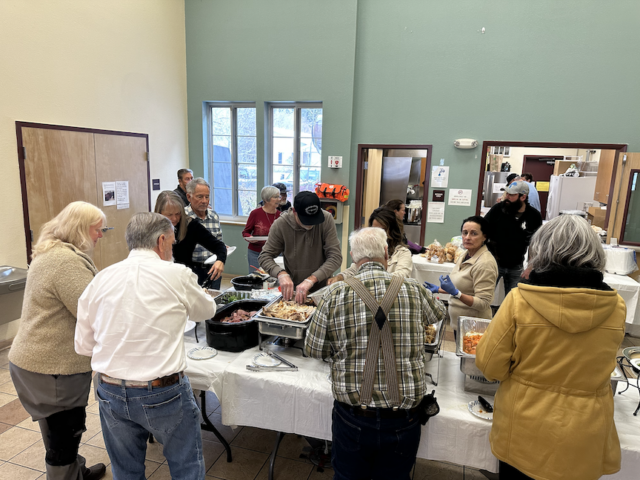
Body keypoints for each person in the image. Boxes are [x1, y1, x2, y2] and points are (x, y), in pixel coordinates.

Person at [476, 215, 626, 480]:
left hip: (525, 428)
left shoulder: (520, 300)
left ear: (540, 251)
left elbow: (490, 367)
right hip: (586, 431)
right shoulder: (616, 307)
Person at [75, 212, 217, 480]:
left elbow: (83, 345)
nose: (172, 250)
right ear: (161, 241)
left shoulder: (101, 278)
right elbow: (207, 311)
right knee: (186, 467)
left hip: (110, 389)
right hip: (163, 392)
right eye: (172, 243)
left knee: (126, 471)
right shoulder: (176, 273)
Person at [304, 227, 447, 480]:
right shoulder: (413, 288)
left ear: (353, 257)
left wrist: (340, 348)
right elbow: (438, 314)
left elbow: (314, 349)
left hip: (353, 415)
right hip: (403, 417)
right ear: (386, 253)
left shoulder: (334, 294)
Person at [9, 201, 107, 480]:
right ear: (80, 229)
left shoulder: (51, 251)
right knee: (65, 435)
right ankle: (66, 475)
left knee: (55, 430)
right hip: (52, 367)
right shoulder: (66, 262)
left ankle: (75, 471)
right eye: (97, 229)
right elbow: (92, 314)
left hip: (34, 362)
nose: (101, 235)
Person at [259, 191, 342, 304]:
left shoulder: (326, 219)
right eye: (306, 220)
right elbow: (264, 256)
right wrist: (281, 274)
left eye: (314, 220)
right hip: (294, 291)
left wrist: (312, 279)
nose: (310, 224)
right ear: (294, 211)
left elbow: (335, 257)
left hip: (322, 290)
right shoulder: (281, 224)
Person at [424, 216, 498, 334]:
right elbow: (464, 288)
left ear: (484, 236)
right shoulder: (465, 254)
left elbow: (483, 303)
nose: (467, 237)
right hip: (459, 323)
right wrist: (439, 289)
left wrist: (456, 293)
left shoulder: (485, 263)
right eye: (465, 233)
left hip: (473, 327)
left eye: (474, 233)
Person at [154, 191, 226, 285]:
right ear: (159, 213)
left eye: (178, 214)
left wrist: (220, 260)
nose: (174, 219)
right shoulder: (151, 228)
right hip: (159, 278)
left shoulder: (191, 225)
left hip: (183, 278)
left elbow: (219, 245)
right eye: (169, 215)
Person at [484, 181, 542, 296]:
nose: (507, 197)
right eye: (507, 193)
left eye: (511, 195)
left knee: (513, 300)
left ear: (523, 197)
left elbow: (535, 244)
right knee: (484, 296)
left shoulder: (534, 216)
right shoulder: (498, 210)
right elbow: (483, 230)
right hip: (493, 263)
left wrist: (529, 267)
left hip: (516, 265)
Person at [328, 206, 412, 284]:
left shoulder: (402, 253)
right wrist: (339, 277)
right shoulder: (368, 247)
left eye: (382, 230)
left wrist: (371, 279)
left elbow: (402, 276)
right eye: (374, 230)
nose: (377, 234)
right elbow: (354, 269)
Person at [185, 177, 224, 289]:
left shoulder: (214, 216)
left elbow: (218, 241)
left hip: (213, 269)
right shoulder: (183, 217)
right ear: (189, 197)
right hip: (191, 270)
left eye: (207, 197)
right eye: (200, 196)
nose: (204, 201)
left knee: (213, 298)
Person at [242, 186, 282, 273]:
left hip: (275, 253)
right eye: (276, 197)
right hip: (256, 253)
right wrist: (250, 238)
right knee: (256, 277)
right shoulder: (255, 213)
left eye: (279, 196)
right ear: (267, 199)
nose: (279, 199)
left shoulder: (281, 216)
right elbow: (246, 232)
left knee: (274, 278)